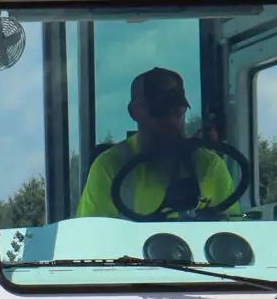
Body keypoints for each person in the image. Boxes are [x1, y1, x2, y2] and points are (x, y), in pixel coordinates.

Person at [75, 67, 237, 219]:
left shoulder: (210, 166)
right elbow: (92, 237)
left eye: (178, 112)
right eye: (159, 113)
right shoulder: (110, 167)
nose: (172, 121)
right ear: (134, 112)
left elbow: (234, 232)